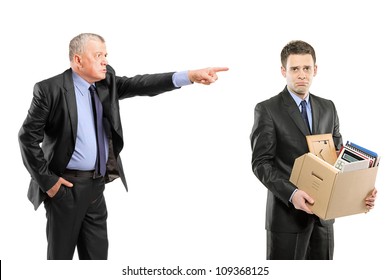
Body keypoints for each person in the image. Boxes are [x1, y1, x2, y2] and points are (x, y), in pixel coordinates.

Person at [18, 33, 228, 260]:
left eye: (105, 55)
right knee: (61, 259)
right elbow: (27, 138)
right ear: (78, 60)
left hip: (96, 187)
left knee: (98, 258)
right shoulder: (49, 90)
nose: (105, 60)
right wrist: (49, 183)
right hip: (65, 188)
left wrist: (189, 76)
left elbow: (139, 84)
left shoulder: (106, 81)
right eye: (98, 55)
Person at [250, 40, 377, 260]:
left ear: (315, 70)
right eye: (295, 69)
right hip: (287, 218)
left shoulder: (328, 107)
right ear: (283, 71)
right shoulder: (267, 110)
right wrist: (292, 193)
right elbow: (261, 163)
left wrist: (361, 191)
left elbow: (340, 159)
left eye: (307, 68)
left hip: (324, 219)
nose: (301, 74)